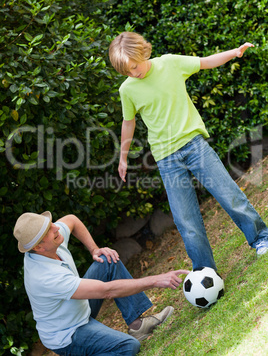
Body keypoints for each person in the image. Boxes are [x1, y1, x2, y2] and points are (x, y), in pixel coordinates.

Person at [109, 31, 268, 271]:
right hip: (166, 158)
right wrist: (122, 157)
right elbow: (128, 122)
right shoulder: (127, 90)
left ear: (143, 51)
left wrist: (234, 52)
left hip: (194, 145)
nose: (134, 73)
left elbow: (205, 62)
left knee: (229, 194)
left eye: (134, 66)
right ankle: (205, 271)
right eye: (127, 71)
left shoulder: (170, 63)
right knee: (186, 220)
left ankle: (260, 238)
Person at [13, 211, 189, 355]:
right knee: (127, 347)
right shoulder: (46, 277)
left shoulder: (50, 242)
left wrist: (94, 249)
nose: (56, 227)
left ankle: (138, 327)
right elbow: (107, 291)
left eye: (50, 223)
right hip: (68, 334)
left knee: (107, 260)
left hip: (78, 308)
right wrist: (156, 280)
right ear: (38, 247)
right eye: (48, 230)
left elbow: (72, 220)